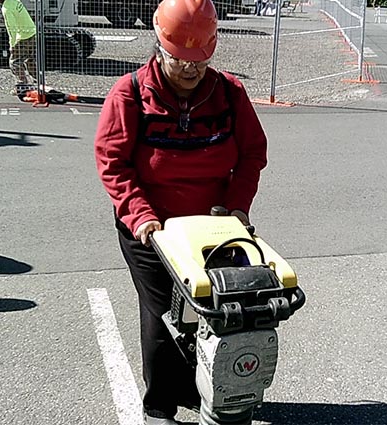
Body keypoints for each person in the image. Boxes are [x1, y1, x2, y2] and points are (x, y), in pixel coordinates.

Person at [93, 0, 268, 423]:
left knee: (215, 309)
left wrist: (237, 207)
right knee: (163, 315)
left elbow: (251, 154)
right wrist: (141, 216)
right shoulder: (130, 94)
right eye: (179, 60)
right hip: (151, 226)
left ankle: (201, 386)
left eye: (199, 61)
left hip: (212, 226)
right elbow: (112, 162)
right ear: (159, 47)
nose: (190, 70)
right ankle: (159, 407)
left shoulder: (229, 92)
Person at [0, 0, 37, 89]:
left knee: (15, 62)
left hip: (21, 37)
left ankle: (22, 86)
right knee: (29, 60)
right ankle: (39, 82)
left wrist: (12, 45)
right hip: (31, 32)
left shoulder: (6, 8)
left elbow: (11, 28)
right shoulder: (15, 1)